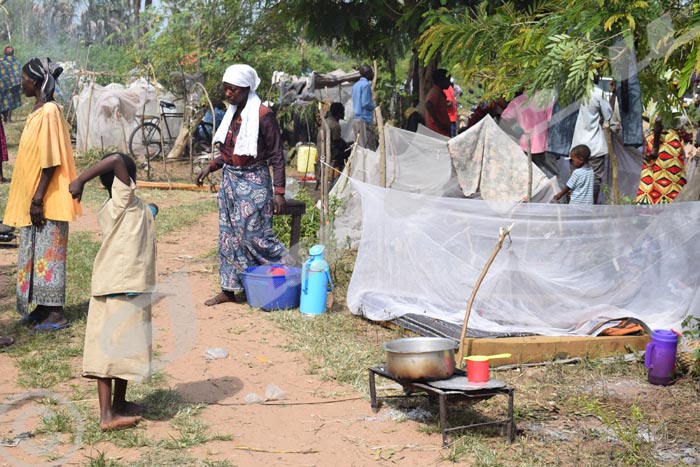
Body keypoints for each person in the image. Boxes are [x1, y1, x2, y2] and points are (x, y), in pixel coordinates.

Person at [68, 152, 156, 431]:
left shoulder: (128, 204)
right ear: (123, 180)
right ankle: (107, 415)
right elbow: (117, 159)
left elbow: (144, 214)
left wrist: (153, 210)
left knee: (126, 346)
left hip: (130, 285)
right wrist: (80, 179)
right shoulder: (123, 199)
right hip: (118, 285)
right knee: (108, 351)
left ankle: (120, 404)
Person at [196, 64, 291, 306]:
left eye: (233, 89)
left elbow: (277, 155)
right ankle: (230, 289)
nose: (228, 94)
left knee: (255, 235)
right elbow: (231, 152)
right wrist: (211, 166)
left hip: (255, 181)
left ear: (247, 89)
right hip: (230, 181)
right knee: (229, 237)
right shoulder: (232, 114)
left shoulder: (262, 116)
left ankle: (289, 273)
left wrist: (279, 192)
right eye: (226, 89)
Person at [2, 58, 81, 331]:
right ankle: (42, 308)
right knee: (35, 253)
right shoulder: (38, 110)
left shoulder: (49, 111)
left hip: (47, 198)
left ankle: (56, 313)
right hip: (34, 198)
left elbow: (51, 160)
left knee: (49, 254)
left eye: (23, 78)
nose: (20, 82)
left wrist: (38, 199)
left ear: (34, 82)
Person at [570, 76, 613, 203]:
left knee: (574, 182)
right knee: (594, 181)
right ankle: (591, 210)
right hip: (595, 145)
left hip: (576, 146)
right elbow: (608, 115)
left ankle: (573, 212)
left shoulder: (573, 92)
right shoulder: (598, 92)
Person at [501, 90, 557, 178]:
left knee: (526, 173)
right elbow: (551, 119)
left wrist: (519, 132)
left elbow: (505, 119)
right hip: (542, 143)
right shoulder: (545, 100)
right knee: (545, 174)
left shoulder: (517, 101)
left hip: (524, 143)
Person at [636, 117, 687, 204]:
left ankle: (650, 212)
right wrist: (655, 147)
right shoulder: (670, 103)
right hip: (664, 143)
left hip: (661, 142)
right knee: (668, 181)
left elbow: (655, 119)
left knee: (653, 178)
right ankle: (666, 212)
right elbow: (659, 119)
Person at [351, 64, 377, 150]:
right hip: (364, 120)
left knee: (359, 147)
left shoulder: (355, 85)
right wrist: (375, 106)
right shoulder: (366, 85)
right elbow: (365, 103)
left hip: (356, 119)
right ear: (368, 74)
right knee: (367, 147)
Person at [325, 102, 350, 180]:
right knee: (349, 152)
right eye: (343, 111)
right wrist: (347, 146)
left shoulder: (327, 120)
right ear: (339, 113)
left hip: (325, 149)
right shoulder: (335, 125)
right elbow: (337, 142)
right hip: (330, 152)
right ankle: (341, 176)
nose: (344, 113)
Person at [424, 68, 451, 137]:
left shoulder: (439, 92)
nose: (449, 82)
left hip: (441, 132)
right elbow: (429, 104)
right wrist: (438, 123)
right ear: (440, 80)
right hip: (438, 132)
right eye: (447, 80)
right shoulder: (435, 92)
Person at [0, 46, 22, 123]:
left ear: (4, 52)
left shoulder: (1, 61)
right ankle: (8, 118)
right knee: (10, 100)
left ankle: (4, 118)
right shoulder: (17, 62)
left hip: (2, 85)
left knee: (2, 101)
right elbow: (18, 74)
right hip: (13, 85)